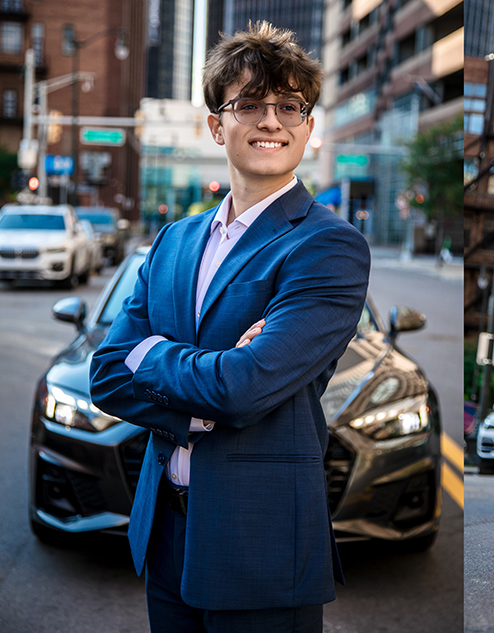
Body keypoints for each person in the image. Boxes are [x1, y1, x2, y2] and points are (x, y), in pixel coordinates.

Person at [90, 22, 370, 632]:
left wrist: (152, 355)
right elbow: (107, 375)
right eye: (250, 105)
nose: (271, 121)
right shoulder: (172, 241)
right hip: (165, 528)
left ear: (308, 128)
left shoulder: (328, 246)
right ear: (217, 125)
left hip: (261, 543)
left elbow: (243, 386)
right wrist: (204, 388)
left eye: (289, 106)